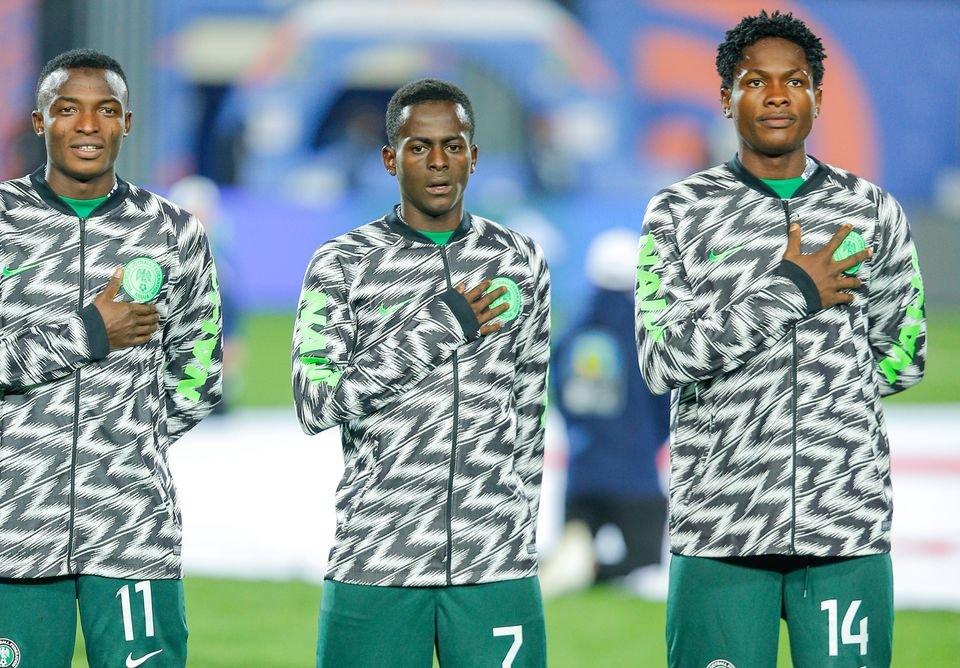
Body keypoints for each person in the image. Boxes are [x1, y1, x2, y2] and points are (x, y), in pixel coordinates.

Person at [634, 11, 925, 668]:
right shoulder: (678, 212)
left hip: (844, 524)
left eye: (793, 81)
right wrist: (790, 292)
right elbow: (659, 359)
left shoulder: (872, 210)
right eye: (754, 81)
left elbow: (904, 355)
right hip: (719, 529)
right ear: (725, 96)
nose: (775, 96)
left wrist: (825, 399)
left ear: (818, 97)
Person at [292, 79, 550, 667]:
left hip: (495, 560)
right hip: (377, 555)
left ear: (473, 156)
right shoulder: (343, 263)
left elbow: (529, 411)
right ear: (390, 158)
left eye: (453, 146)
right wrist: (438, 327)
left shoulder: (519, 259)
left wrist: (516, 531)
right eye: (419, 147)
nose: (438, 162)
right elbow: (315, 403)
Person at [0, 49, 222, 667]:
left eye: (105, 110)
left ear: (127, 122)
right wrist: (90, 333)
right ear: (40, 121)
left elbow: (198, 377)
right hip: (13, 522)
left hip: (131, 525)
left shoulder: (174, 233)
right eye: (67, 109)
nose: (87, 125)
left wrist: (123, 444)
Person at [543, 228, 669, 595]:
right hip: (635, 476)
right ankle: (591, 568)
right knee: (647, 564)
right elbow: (661, 400)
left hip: (581, 474)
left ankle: (575, 565)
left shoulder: (571, 333)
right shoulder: (643, 334)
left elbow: (559, 396)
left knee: (574, 553)